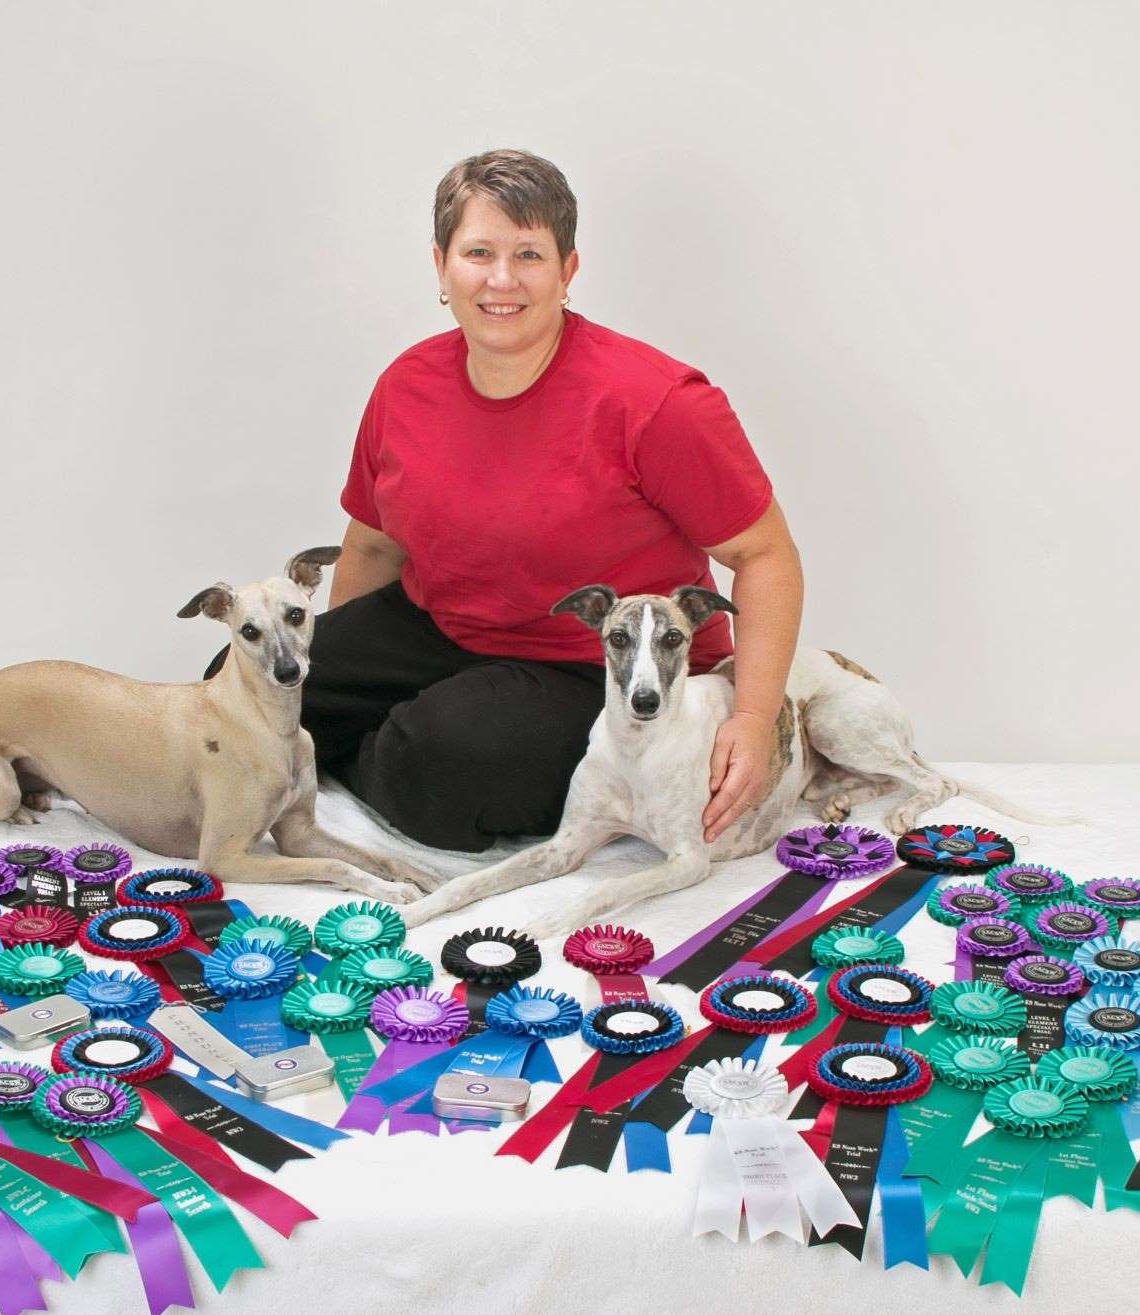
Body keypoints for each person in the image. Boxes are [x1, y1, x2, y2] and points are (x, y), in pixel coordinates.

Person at [290, 149, 804, 853]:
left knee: (441, 767)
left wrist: (753, 716)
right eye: (479, 252)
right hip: (440, 624)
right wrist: (342, 683)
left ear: (567, 271)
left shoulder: (655, 402)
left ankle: (385, 761)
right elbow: (375, 546)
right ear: (442, 266)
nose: (502, 280)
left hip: (594, 659)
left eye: (529, 254)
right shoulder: (404, 386)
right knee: (246, 690)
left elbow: (765, 553)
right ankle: (376, 748)